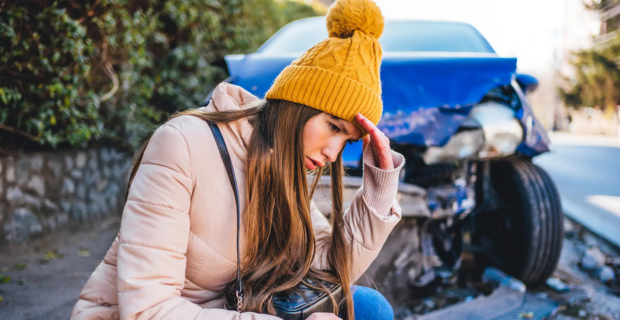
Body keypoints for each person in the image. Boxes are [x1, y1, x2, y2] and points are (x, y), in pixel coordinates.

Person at [71, 0, 404, 319]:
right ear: (296, 105)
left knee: (368, 308)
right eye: (333, 127)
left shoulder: (282, 166)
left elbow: (328, 270)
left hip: (231, 309)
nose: (334, 153)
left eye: (347, 140)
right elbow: (149, 308)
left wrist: (379, 187)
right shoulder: (182, 143)